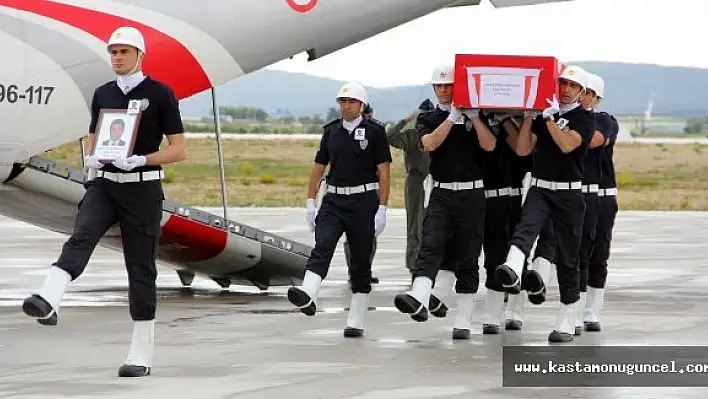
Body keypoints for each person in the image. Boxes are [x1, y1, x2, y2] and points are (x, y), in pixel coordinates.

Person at [21, 26, 187, 377]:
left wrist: (144, 159)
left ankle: (140, 353)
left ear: (140, 55)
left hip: (142, 190)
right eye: (113, 52)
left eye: (124, 52)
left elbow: (178, 149)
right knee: (81, 236)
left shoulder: (161, 95)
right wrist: (93, 159)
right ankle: (49, 297)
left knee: (140, 269)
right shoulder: (102, 93)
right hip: (105, 185)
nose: (117, 58)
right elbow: (96, 137)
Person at [393, 64, 496, 340]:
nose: (443, 89)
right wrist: (451, 119)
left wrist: (474, 119)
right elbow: (428, 143)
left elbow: (489, 146)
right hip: (441, 192)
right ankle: (419, 296)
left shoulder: (479, 115)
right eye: (439, 86)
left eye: (448, 85)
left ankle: (463, 319)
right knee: (430, 244)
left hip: (472, 194)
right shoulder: (429, 116)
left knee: (468, 254)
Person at [494, 65, 595, 343]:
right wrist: (529, 117)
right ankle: (512, 267)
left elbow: (566, 145)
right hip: (539, 186)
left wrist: (549, 120)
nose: (565, 89)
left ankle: (567, 315)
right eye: (561, 83)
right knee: (525, 229)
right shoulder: (544, 115)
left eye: (572, 86)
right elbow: (523, 150)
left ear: (581, 92)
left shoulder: (585, 119)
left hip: (569, 194)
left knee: (568, 256)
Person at [289, 82, 392, 338]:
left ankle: (356, 318)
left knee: (359, 260)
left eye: (351, 102)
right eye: (343, 102)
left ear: (362, 105)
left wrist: (383, 207)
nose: (346, 106)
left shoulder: (376, 132)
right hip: (334, 201)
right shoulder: (331, 132)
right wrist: (310, 201)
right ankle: (309, 292)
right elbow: (318, 167)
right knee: (322, 246)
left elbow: (385, 172)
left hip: (364, 201)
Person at [385, 99, 435, 280]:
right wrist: (406, 119)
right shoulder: (412, 135)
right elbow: (390, 136)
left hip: (435, 180)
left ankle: (430, 263)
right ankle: (414, 265)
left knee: (434, 225)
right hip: (415, 181)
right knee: (415, 223)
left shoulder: (437, 135)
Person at [585, 75, 618, 332]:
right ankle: (574, 309)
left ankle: (592, 311)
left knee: (599, 253)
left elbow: (595, 140)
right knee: (576, 254)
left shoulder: (605, 120)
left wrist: (567, 132)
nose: (583, 95)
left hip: (603, 195)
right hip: (577, 194)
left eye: (589, 92)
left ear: (597, 98)